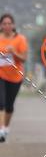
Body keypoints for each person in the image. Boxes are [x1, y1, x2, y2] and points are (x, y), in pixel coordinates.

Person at [0, 13, 28, 142]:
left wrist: (14, 52)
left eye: (9, 23)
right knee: (1, 102)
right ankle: (0, 131)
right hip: (1, 75)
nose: (7, 26)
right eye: (4, 23)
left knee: (9, 105)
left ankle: (5, 128)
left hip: (15, 77)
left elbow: (24, 58)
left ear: (13, 25)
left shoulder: (20, 39)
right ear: (1, 25)